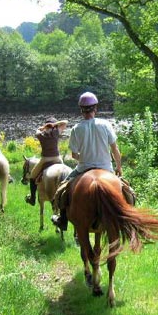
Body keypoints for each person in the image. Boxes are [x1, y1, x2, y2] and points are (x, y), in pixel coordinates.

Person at [51, 91, 123, 230]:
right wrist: (119, 167)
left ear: (81, 110)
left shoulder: (76, 129)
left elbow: (74, 155)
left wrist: (84, 157)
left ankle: (62, 219)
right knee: (127, 190)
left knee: (61, 189)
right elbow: (115, 149)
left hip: (83, 169)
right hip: (106, 168)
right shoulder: (105, 124)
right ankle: (127, 216)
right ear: (95, 108)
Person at [25, 116, 68, 205]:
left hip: (45, 159)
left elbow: (37, 130)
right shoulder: (56, 132)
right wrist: (55, 125)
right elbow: (65, 122)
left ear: (45, 126)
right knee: (66, 173)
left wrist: (43, 127)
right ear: (54, 126)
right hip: (57, 158)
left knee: (32, 176)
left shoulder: (41, 135)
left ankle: (32, 198)